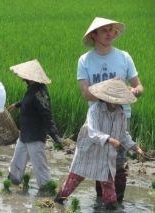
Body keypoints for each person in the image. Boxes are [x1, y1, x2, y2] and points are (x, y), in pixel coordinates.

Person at [77, 17, 144, 202]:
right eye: (104, 30)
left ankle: (117, 202)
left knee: (119, 161)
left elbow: (138, 86)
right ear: (94, 35)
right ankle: (102, 200)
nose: (109, 33)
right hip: (98, 118)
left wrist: (134, 91)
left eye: (111, 30)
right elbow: (85, 93)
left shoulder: (124, 57)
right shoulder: (85, 60)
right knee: (101, 161)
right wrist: (109, 94)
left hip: (121, 116)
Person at [54, 79, 144, 210]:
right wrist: (110, 139)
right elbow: (92, 131)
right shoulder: (95, 110)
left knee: (110, 193)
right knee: (72, 183)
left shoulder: (121, 114)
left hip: (105, 157)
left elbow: (123, 134)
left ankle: (111, 207)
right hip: (88, 152)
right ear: (106, 98)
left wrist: (135, 147)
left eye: (119, 100)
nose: (116, 103)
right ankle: (57, 203)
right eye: (114, 99)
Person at [7, 59, 58, 190]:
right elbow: (28, 101)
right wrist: (17, 105)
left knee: (39, 165)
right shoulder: (32, 88)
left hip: (35, 135)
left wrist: (56, 137)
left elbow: (47, 115)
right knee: (17, 162)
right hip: (25, 133)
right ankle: (12, 183)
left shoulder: (41, 92)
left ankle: (47, 189)